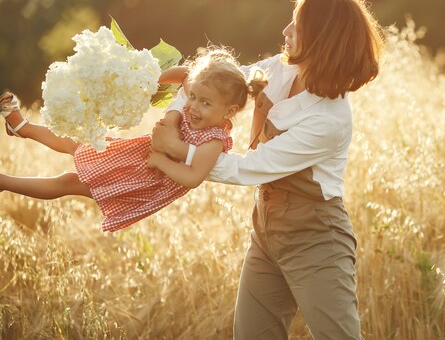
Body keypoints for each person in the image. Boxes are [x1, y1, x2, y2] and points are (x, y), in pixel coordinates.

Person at [151, 0, 385, 340]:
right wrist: (171, 115)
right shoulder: (276, 69)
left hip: (317, 239)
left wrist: (178, 149)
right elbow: (209, 82)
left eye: (296, 25)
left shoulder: (329, 120)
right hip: (266, 230)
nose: (285, 30)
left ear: (320, 39)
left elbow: (250, 168)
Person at [0, 48, 266, 232]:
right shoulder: (200, 94)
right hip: (137, 154)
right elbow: (185, 74)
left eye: (205, 103)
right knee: (81, 142)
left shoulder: (214, 140)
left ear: (229, 112)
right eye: (193, 97)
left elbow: (193, 177)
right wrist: (153, 80)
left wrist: (162, 160)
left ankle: (4, 183)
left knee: (69, 182)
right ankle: (23, 128)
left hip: (145, 178)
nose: (194, 106)